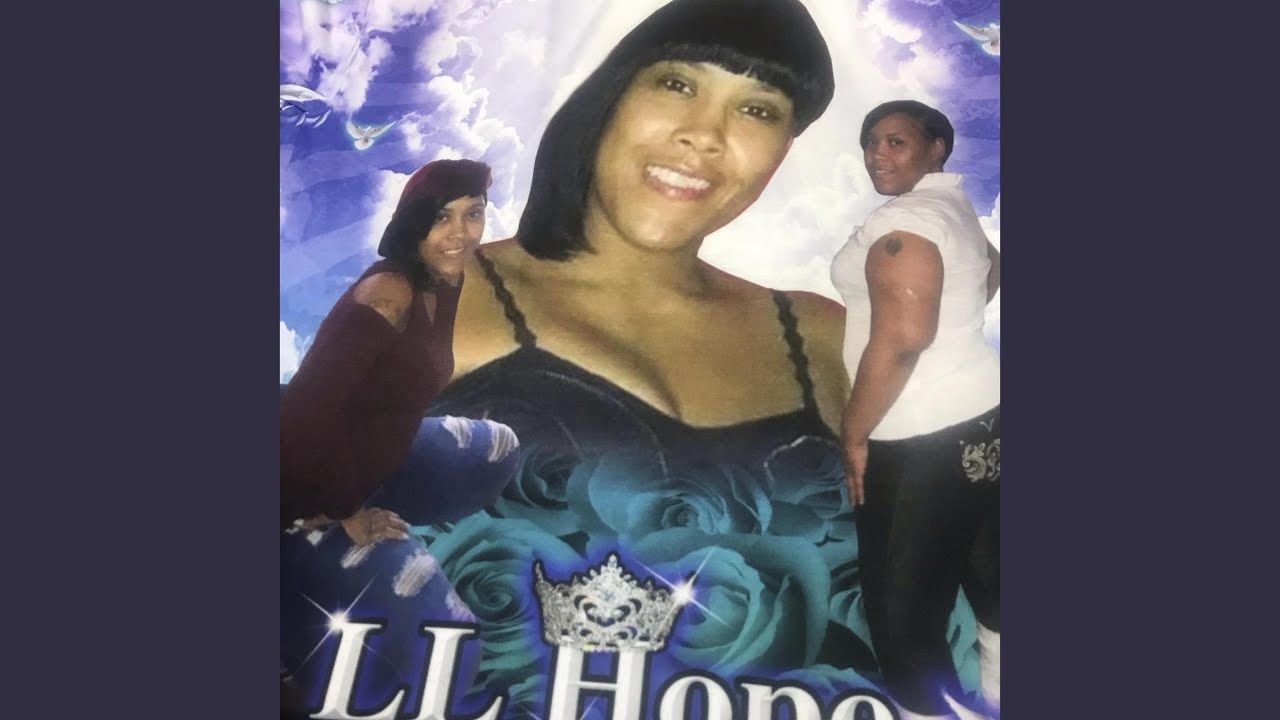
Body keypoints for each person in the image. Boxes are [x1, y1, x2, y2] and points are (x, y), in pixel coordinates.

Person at [418, 0, 892, 710]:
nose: (705, 134)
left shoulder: (827, 337)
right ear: (610, 95)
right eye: (677, 84)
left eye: (758, 109)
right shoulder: (437, 297)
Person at [279, 159, 519, 716]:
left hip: (368, 458)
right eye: (441, 218)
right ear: (414, 223)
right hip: (299, 484)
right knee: (443, 643)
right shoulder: (388, 294)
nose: (460, 233)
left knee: (496, 451)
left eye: (473, 214)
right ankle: (299, 583)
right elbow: (301, 421)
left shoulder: (446, 277)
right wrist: (346, 513)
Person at [831, 100, 1001, 719]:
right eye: (870, 141)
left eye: (895, 141)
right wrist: (960, 324)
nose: (877, 154)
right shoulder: (951, 207)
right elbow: (994, 269)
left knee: (903, 621)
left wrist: (855, 433)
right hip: (983, 414)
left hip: (916, 434)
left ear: (936, 149)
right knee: (991, 580)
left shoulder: (906, 223)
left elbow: (903, 339)